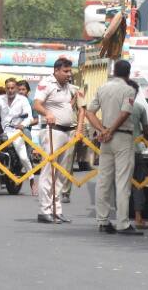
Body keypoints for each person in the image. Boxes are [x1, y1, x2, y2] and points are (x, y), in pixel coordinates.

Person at [86, 59, 142, 235]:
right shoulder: (129, 90)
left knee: (103, 180)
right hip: (122, 138)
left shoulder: (103, 88)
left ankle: (103, 221)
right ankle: (123, 223)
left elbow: (89, 112)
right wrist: (111, 130)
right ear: (128, 73)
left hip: (105, 139)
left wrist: (102, 130)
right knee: (122, 181)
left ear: (114, 71)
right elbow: (125, 113)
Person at [33, 58, 80, 223]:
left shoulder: (68, 86)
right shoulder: (47, 83)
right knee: (49, 171)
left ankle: (56, 210)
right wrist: (47, 114)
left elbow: (76, 102)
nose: (69, 74)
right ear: (56, 71)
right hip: (54, 131)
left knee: (61, 174)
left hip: (68, 132)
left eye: (70, 71)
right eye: (66, 71)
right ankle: (44, 210)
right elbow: (37, 104)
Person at [0, 77, 37, 196]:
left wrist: (23, 124)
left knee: (23, 157)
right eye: (8, 88)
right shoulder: (0, 99)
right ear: (5, 89)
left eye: (12, 88)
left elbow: (30, 117)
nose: (10, 90)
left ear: (15, 88)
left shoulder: (23, 100)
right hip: (2, 132)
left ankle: (32, 181)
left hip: (16, 132)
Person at [61, 76, 87, 204]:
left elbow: (82, 111)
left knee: (68, 162)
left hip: (71, 130)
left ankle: (65, 192)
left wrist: (79, 130)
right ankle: (52, 190)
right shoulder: (52, 90)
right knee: (52, 161)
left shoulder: (76, 90)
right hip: (55, 129)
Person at [131, 98, 148, 230]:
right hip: (136, 150)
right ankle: (138, 218)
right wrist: (145, 142)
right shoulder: (139, 107)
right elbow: (146, 130)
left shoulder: (115, 107)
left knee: (120, 184)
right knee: (138, 185)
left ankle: (121, 218)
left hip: (118, 151)